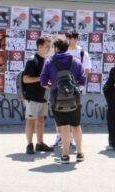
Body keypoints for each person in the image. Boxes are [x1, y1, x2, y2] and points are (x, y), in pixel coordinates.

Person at [40, 35, 87, 164]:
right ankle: (79, 154)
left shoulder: (49, 62)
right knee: (76, 126)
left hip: (57, 99)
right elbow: (83, 81)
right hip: (74, 99)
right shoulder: (75, 61)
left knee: (64, 127)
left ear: (56, 48)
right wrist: (73, 87)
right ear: (67, 47)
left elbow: (43, 82)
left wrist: (52, 86)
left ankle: (65, 156)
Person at [51, 30, 91, 149]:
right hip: (59, 89)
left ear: (75, 39)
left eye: (69, 37)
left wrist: (79, 88)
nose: (67, 40)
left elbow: (86, 71)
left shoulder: (82, 53)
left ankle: (72, 139)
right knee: (59, 112)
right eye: (66, 37)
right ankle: (59, 136)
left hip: (75, 90)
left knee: (73, 116)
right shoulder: (62, 51)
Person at [22, 36, 54, 154]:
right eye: (47, 46)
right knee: (30, 120)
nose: (49, 48)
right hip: (32, 97)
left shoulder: (46, 61)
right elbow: (26, 79)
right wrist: (41, 79)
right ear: (39, 46)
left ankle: (40, 144)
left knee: (40, 120)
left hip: (43, 97)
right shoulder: (32, 60)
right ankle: (29, 145)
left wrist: (49, 84)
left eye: (50, 46)